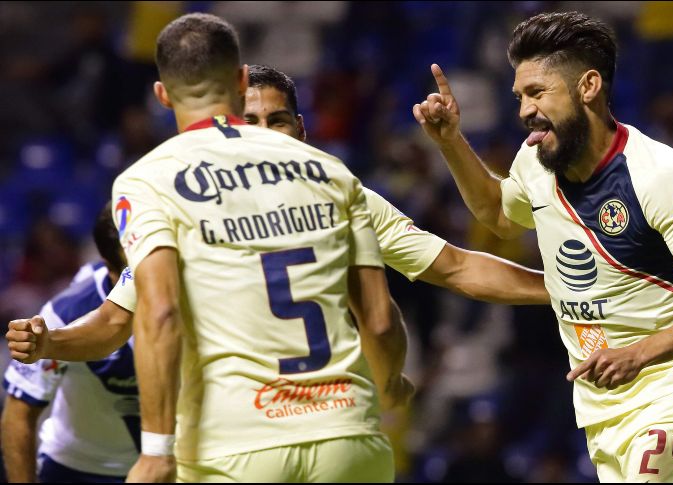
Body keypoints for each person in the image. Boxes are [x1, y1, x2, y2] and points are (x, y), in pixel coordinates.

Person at [7, 63, 549, 370]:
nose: (266, 133)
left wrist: (564, 288)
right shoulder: (184, 208)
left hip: (303, 432)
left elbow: (456, 268)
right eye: (253, 120)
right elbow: (112, 320)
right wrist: (51, 342)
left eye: (280, 120)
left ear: (303, 131)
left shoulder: (345, 196)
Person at [413, 11, 673, 482]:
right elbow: (497, 213)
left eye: (537, 93)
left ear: (588, 86)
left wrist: (638, 353)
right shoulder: (535, 160)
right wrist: (450, 143)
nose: (523, 111)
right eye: (519, 97)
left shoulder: (658, 173)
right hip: (601, 414)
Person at [112, 13, 410, 483]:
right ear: (241, 81)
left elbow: (161, 313)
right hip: (347, 438)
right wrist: (390, 384)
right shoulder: (329, 171)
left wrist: (155, 449)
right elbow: (378, 318)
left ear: (162, 94)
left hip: (234, 446)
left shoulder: (148, 180)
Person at [1, 204, 138, 482]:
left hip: (167, 462)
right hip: (78, 469)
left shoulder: (187, 294)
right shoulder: (63, 315)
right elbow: (18, 414)